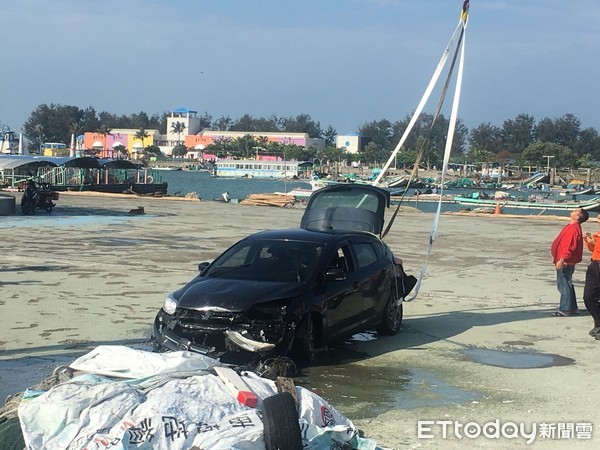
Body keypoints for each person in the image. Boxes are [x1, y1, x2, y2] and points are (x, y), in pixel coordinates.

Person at [550, 208, 589, 316]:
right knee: (566, 284)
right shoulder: (572, 227)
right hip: (565, 260)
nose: (573, 211)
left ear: (577, 217)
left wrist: (562, 259)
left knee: (564, 285)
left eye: (576, 211)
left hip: (565, 261)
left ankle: (566, 308)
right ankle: (571, 308)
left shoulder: (573, 228)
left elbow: (569, 246)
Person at [583, 213, 600, 338]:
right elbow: (592, 248)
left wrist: (595, 241)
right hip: (594, 264)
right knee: (588, 296)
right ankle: (598, 323)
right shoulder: (598, 234)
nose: (598, 220)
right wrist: (588, 240)